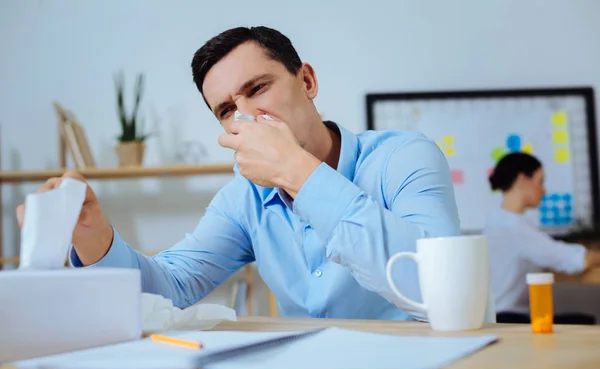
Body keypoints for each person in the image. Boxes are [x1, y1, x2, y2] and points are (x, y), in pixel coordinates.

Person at [17, 26, 492, 322]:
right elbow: (174, 286)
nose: (245, 117)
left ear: (306, 81)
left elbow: (436, 287)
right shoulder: (242, 200)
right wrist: (95, 238)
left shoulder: (404, 157)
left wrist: (298, 172)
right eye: (227, 109)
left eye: (258, 88)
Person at [484, 152, 600, 324]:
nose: (544, 190)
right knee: (584, 321)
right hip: (509, 319)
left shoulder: (497, 221)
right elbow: (574, 259)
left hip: (498, 316)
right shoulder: (514, 227)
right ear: (522, 179)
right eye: (540, 181)